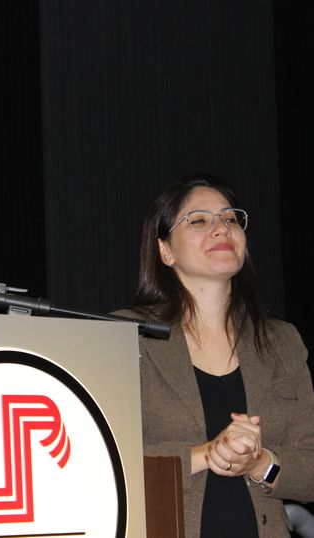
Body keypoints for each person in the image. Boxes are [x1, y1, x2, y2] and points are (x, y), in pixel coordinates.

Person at [121, 173, 314, 537]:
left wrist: (261, 463)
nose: (222, 228)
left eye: (231, 219)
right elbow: (105, 459)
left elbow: (310, 467)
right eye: (199, 220)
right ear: (165, 251)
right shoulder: (126, 337)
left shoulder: (282, 341)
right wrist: (207, 453)